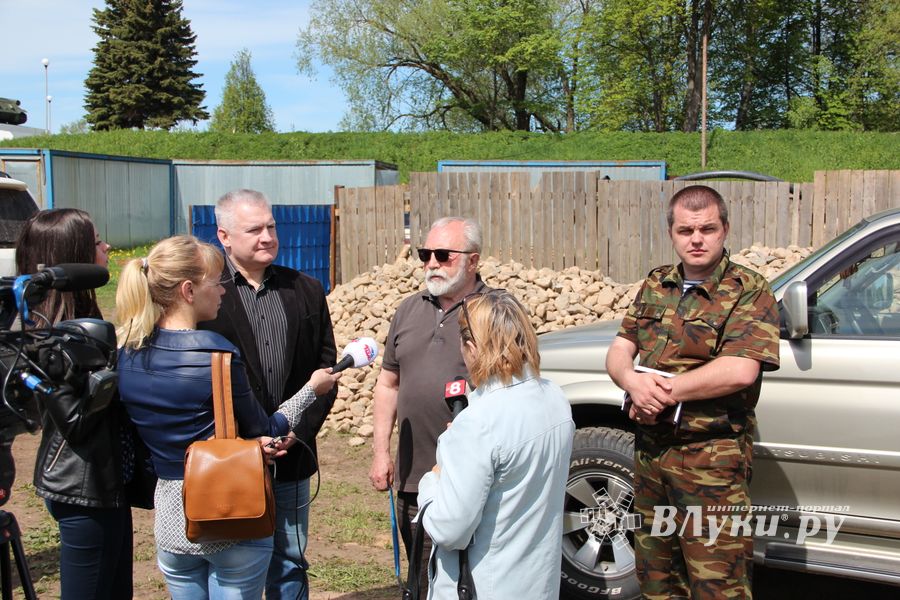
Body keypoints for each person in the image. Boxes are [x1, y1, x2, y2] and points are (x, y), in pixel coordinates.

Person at [115, 235, 340, 599]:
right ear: (188, 290)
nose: (222, 290)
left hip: (171, 517)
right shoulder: (215, 353)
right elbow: (267, 428)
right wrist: (311, 390)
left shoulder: (128, 352)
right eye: (215, 283)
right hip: (229, 516)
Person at [606, 185, 780, 599]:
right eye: (686, 230)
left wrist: (661, 390)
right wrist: (631, 381)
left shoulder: (748, 290)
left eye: (707, 229)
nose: (696, 239)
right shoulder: (655, 283)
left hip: (711, 461)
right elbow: (618, 350)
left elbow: (740, 370)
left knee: (718, 582)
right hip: (651, 454)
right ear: (672, 232)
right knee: (657, 578)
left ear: (725, 230)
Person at [199, 189, 337, 600]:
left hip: (291, 456)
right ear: (223, 236)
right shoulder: (208, 295)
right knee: (234, 569)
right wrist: (248, 439)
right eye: (254, 229)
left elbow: (326, 371)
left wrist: (299, 430)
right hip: (230, 458)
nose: (267, 236)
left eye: (271, 226)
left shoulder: (306, 290)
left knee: (290, 560)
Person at [417, 290, 574, 599]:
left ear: (472, 347)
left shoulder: (477, 423)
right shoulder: (555, 397)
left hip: (485, 584)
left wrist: (432, 480)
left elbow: (449, 530)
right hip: (537, 584)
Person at [17, 209, 130, 600]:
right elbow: (77, 422)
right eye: (97, 241)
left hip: (104, 482)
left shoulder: (82, 318)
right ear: (74, 254)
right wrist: (119, 369)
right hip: (81, 487)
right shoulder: (46, 337)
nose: (107, 247)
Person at [369, 216, 488, 578]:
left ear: (473, 260)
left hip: (470, 478)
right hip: (412, 478)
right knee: (421, 575)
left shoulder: (495, 312)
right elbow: (388, 384)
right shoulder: (408, 309)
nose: (432, 263)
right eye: (425, 254)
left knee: (469, 577)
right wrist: (380, 453)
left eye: (443, 254)